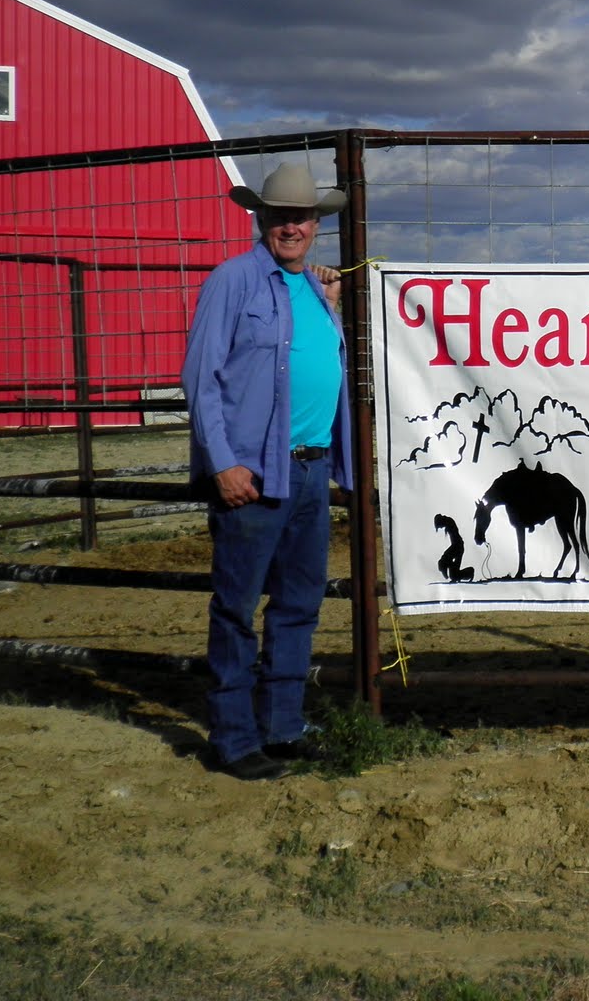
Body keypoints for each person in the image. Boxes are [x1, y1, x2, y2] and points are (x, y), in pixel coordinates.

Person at [183, 163, 352, 781]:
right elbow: (200, 377)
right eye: (281, 215)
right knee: (237, 608)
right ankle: (234, 739)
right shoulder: (233, 280)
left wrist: (330, 300)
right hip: (253, 474)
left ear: (316, 224)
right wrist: (223, 462)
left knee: (298, 604)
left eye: (301, 217)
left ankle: (283, 727)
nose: (291, 226)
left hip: (310, 470)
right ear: (261, 218)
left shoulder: (316, 292)